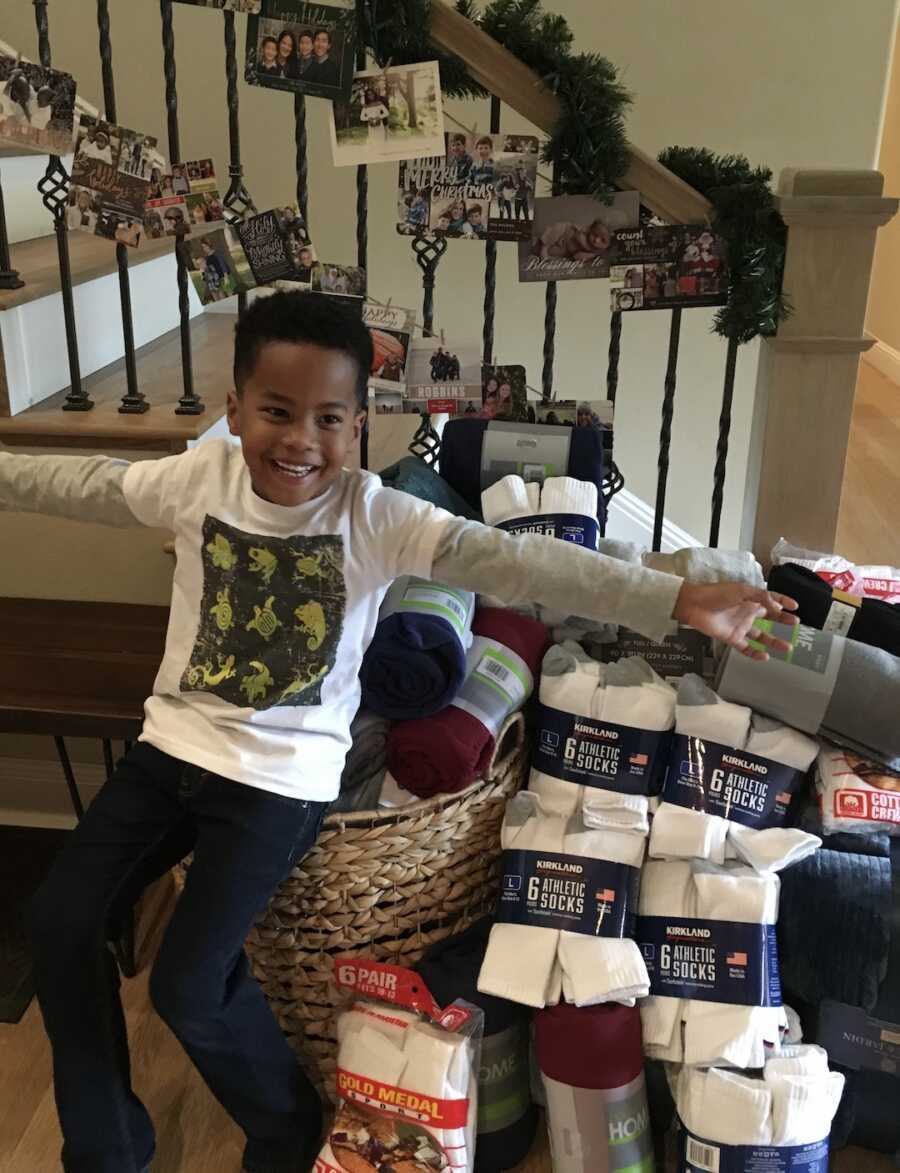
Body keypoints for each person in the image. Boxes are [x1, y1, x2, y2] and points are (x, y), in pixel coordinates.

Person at [0, 292, 796, 1173]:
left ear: (358, 426)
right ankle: (106, 1147)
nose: (300, 439)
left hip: (278, 786)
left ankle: (288, 1133)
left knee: (192, 982)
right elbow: (79, 485)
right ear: (234, 410)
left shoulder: (376, 515)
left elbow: (524, 561)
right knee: (59, 915)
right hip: (169, 754)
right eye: (275, 411)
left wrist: (678, 598)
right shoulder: (200, 477)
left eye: (328, 419)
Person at [536, 216, 613, 262]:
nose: (596, 240)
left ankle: (547, 253)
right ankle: (544, 247)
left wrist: (592, 254)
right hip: (564, 235)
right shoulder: (583, 233)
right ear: (590, 229)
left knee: (556, 253)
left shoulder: (596, 253)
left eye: (603, 240)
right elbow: (578, 236)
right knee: (559, 227)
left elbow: (577, 257)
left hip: (562, 250)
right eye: (595, 234)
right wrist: (589, 249)